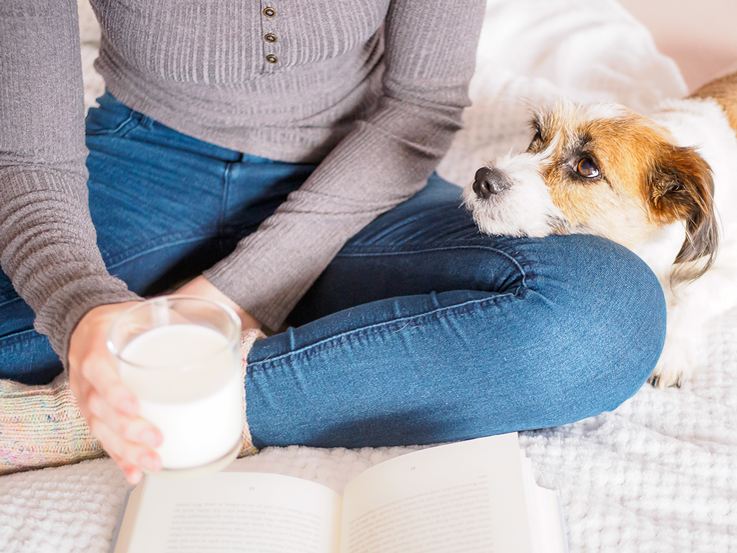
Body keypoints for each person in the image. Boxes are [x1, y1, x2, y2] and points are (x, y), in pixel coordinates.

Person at [0, 0, 666, 484]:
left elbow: (420, 109)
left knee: (607, 314)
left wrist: (238, 295)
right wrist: (81, 308)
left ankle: (114, 418)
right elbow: (29, 158)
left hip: (361, 187)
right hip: (136, 176)